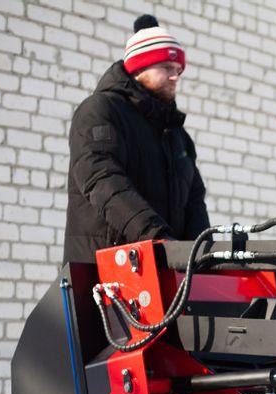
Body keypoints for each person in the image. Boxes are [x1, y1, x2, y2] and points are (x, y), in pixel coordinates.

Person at [63, 14, 209, 264]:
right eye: (166, 67)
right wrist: (156, 238)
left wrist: (203, 256)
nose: (176, 76)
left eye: (178, 70)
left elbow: (194, 202)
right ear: (139, 67)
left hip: (167, 273)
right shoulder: (100, 111)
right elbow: (101, 179)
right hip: (103, 277)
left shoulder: (177, 136)